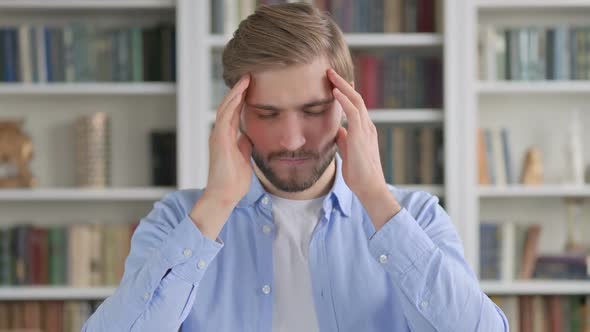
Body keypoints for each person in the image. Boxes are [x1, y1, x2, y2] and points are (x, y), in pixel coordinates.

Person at [83, 3, 508, 331]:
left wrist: (377, 199)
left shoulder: (415, 216)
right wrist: (216, 205)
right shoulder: (180, 220)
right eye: (268, 113)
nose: (292, 139)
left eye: (314, 110)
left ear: (347, 107)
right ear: (235, 115)